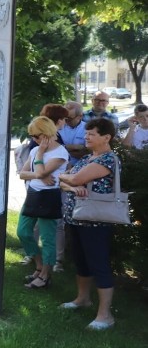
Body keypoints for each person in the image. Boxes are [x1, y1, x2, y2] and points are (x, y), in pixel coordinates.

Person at [58, 118, 120, 330]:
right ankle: (82, 299)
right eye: (86, 134)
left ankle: (105, 316)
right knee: (81, 261)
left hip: (95, 222)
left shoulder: (107, 160)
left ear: (106, 137)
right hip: (76, 218)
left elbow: (71, 178)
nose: (86, 137)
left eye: (91, 134)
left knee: (99, 265)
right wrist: (72, 187)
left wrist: (70, 181)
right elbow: (63, 181)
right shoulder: (87, 158)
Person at [17, 116, 69, 289]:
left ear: (47, 133)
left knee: (47, 238)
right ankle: (39, 265)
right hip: (33, 193)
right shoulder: (33, 150)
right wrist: (39, 174)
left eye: (37, 136)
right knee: (23, 231)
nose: (34, 140)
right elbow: (23, 174)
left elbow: (40, 172)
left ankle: (46, 275)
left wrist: (39, 156)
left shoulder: (60, 153)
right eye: (32, 136)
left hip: (49, 197)